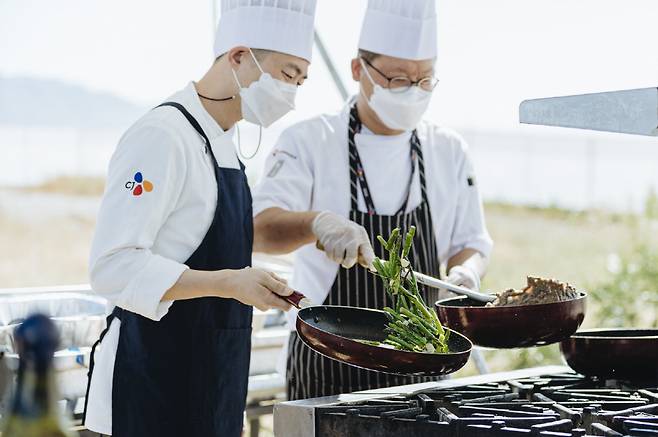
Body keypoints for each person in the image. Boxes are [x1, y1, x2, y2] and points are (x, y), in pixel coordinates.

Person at [83, 1, 317, 435]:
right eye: (287, 76)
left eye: (301, 81)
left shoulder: (226, 144)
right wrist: (229, 283)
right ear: (238, 57)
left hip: (213, 385)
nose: (292, 95)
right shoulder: (162, 136)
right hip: (149, 383)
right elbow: (112, 266)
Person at [252, 0, 493, 400]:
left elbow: (471, 242)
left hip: (423, 371)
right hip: (327, 373)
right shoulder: (308, 142)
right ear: (358, 70)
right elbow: (260, 230)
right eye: (398, 79)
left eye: (425, 80)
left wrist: (465, 274)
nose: (412, 92)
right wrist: (317, 224)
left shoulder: (449, 151)